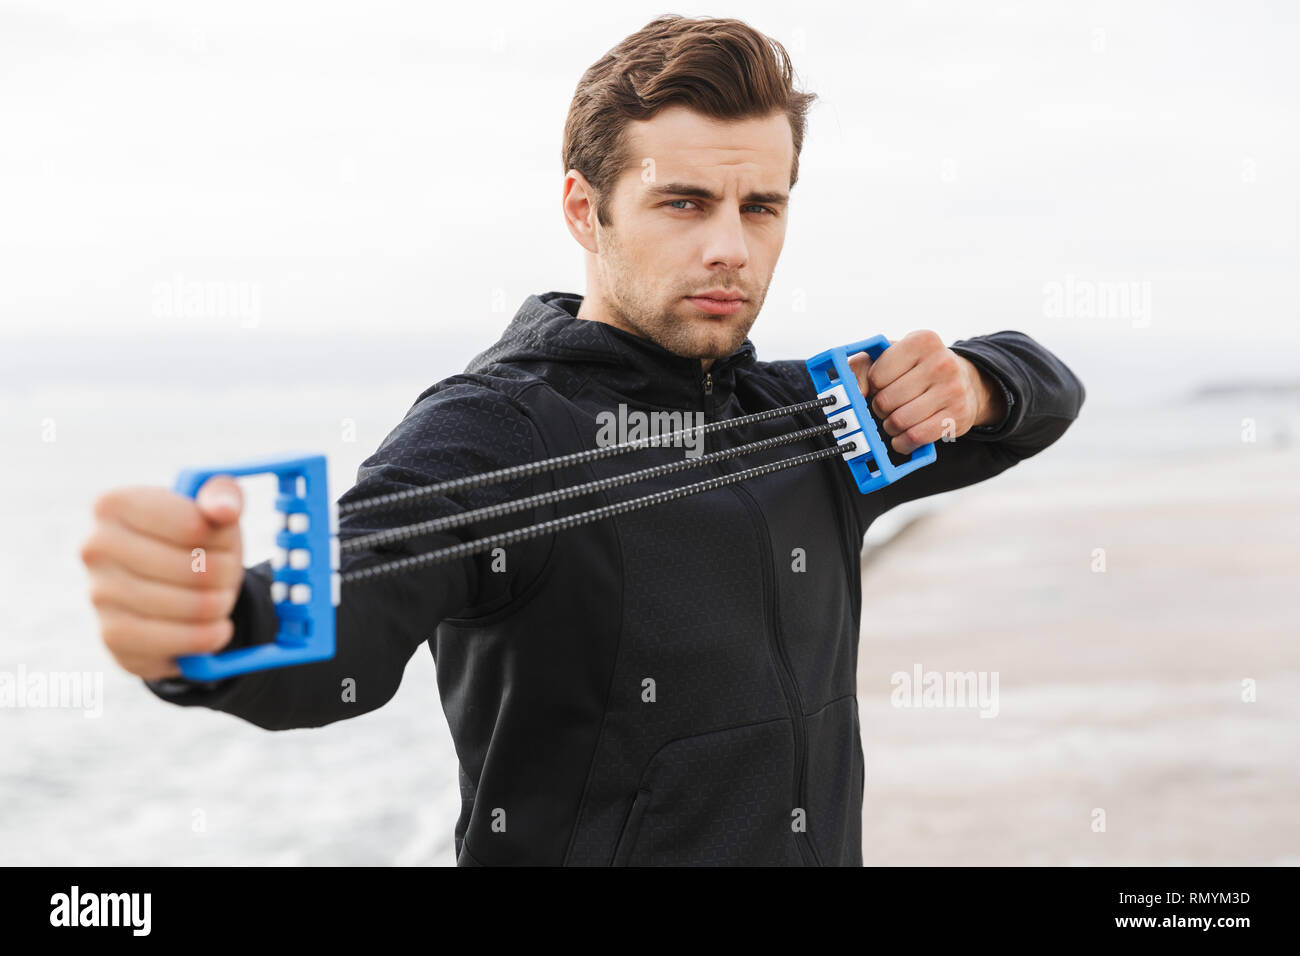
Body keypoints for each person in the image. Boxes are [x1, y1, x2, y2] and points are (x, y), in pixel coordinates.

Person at [80, 14, 1085, 865]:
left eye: (760, 206)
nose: (729, 245)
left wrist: (978, 383)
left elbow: (1047, 391)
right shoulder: (497, 431)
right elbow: (347, 617)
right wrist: (215, 625)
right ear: (583, 207)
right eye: (682, 202)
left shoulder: (811, 417)